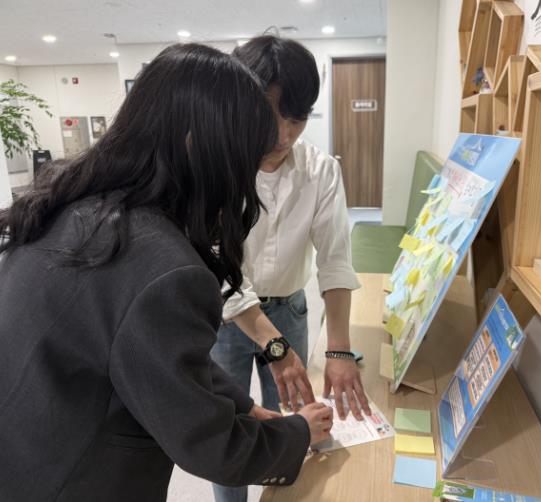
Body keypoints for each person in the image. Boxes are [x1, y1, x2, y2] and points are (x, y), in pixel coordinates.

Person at [0, 43, 332, 502]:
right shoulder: (166, 271)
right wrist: (298, 433)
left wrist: (243, 406)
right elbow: (212, 446)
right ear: (200, 146)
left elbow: (153, 354)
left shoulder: (69, 205)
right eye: (245, 159)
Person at [210, 35, 370, 502]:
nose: (282, 136)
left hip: (290, 311)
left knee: (294, 421)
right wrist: (274, 347)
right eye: (269, 117)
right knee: (228, 430)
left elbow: (335, 260)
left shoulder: (320, 170)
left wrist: (339, 350)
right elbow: (220, 267)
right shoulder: (217, 168)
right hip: (224, 321)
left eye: (296, 120)